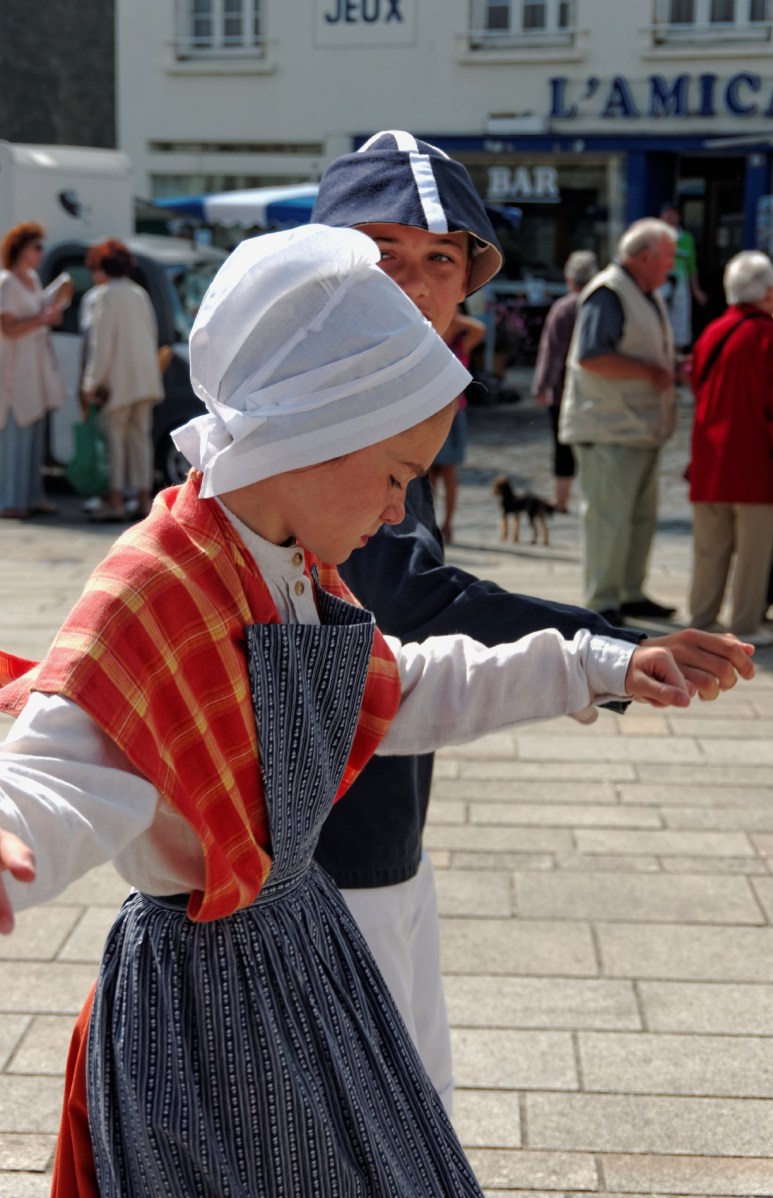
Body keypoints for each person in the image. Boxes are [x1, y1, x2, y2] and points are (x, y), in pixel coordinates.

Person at [0, 224, 698, 1197]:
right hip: (203, 1018)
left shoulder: (291, 567)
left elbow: (402, 686)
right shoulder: (159, 583)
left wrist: (592, 662)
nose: (397, 511)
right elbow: (67, 751)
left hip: (302, 959)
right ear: (308, 436)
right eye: (396, 478)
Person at [311, 133, 756, 1115]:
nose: (416, 285)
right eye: (382, 253)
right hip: (313, 857)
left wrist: (600, 652)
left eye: (439, 259)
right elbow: (405, 603)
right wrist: (606, 643)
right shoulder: (314, 404)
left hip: (372, 823)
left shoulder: (372, 387)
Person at [559, 217, 679, 626]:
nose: (671, 266)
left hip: (636, 428)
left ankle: (628, 592)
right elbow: (592, 355)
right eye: (666, 258)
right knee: (609, 518)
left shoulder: (644, 292)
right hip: (608, 427)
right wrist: (649, 371)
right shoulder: (609, 292)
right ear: (643, 257)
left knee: (638, 518)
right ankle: (603, 600)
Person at [688, 250, 773, 646]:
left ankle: (702, 619)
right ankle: (746, 625)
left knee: (709, 549)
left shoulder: (712, 331)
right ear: (769, 292)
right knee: (753, 553)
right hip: (755, 462)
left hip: (710, 458)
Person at [81, 239, 165, 521]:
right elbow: (152, 334)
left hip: (118, 381)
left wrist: (92, 383)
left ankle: (116, 499)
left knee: (115, 440)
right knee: (141, 438)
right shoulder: (139, 293)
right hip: (145, 378)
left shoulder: (106, 295)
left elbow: (101, 345)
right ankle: (143, 499)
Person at [0, 221, 67, 518]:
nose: (41, 252)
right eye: (37, 246)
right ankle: (12, 500)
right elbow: (8, 327)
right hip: (15, 371)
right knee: (17, 436)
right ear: (21, 248)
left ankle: (32, 496)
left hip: (36, 368)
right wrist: (41, 318)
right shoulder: (7, 282)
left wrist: (49, 315)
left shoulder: (33, 279)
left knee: (35, 436)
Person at [532, 250, 598, 513]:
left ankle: (561, 500)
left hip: (564, 389)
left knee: (562, 445)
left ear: (570, 279)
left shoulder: (563, 308)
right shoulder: (599, 305)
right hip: (596, 388)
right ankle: (592, 498)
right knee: (592, 444)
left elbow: (551, 351)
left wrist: (541, 385)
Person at [428, 302, 485, 542]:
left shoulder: (463, 342)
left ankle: (448, 524)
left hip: (454, 413)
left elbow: (480, 328)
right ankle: (428, 522)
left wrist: (452, 313)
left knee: (449, 470)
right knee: (428, 473)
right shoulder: (433, 335)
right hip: (428, 414)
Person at [659, 200, 707, 351]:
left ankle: (676, 361)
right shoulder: (655, 237)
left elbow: (691, 266)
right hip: (660, 284)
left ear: (679, 217)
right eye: (666, 214)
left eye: (673, 214)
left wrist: (696, 290)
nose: (669, 217)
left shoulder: (687, 239)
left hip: (681, 286)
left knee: (680, 325)